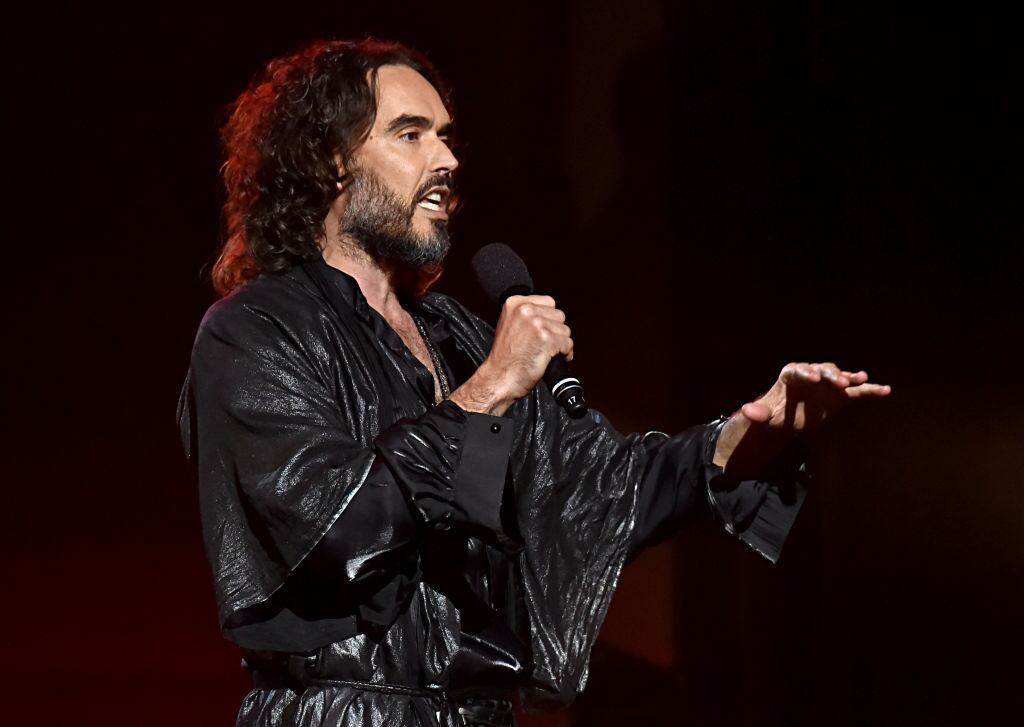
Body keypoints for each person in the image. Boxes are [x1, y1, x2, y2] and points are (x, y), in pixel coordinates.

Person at [177, 39, 890, 727]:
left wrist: (747, 431)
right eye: (410, 134)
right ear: (332, 163)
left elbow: (600, 494)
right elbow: (339, 524)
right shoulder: (256, 329)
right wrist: (491, 387)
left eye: (448, 136)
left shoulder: (456, 337)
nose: (448, 159)